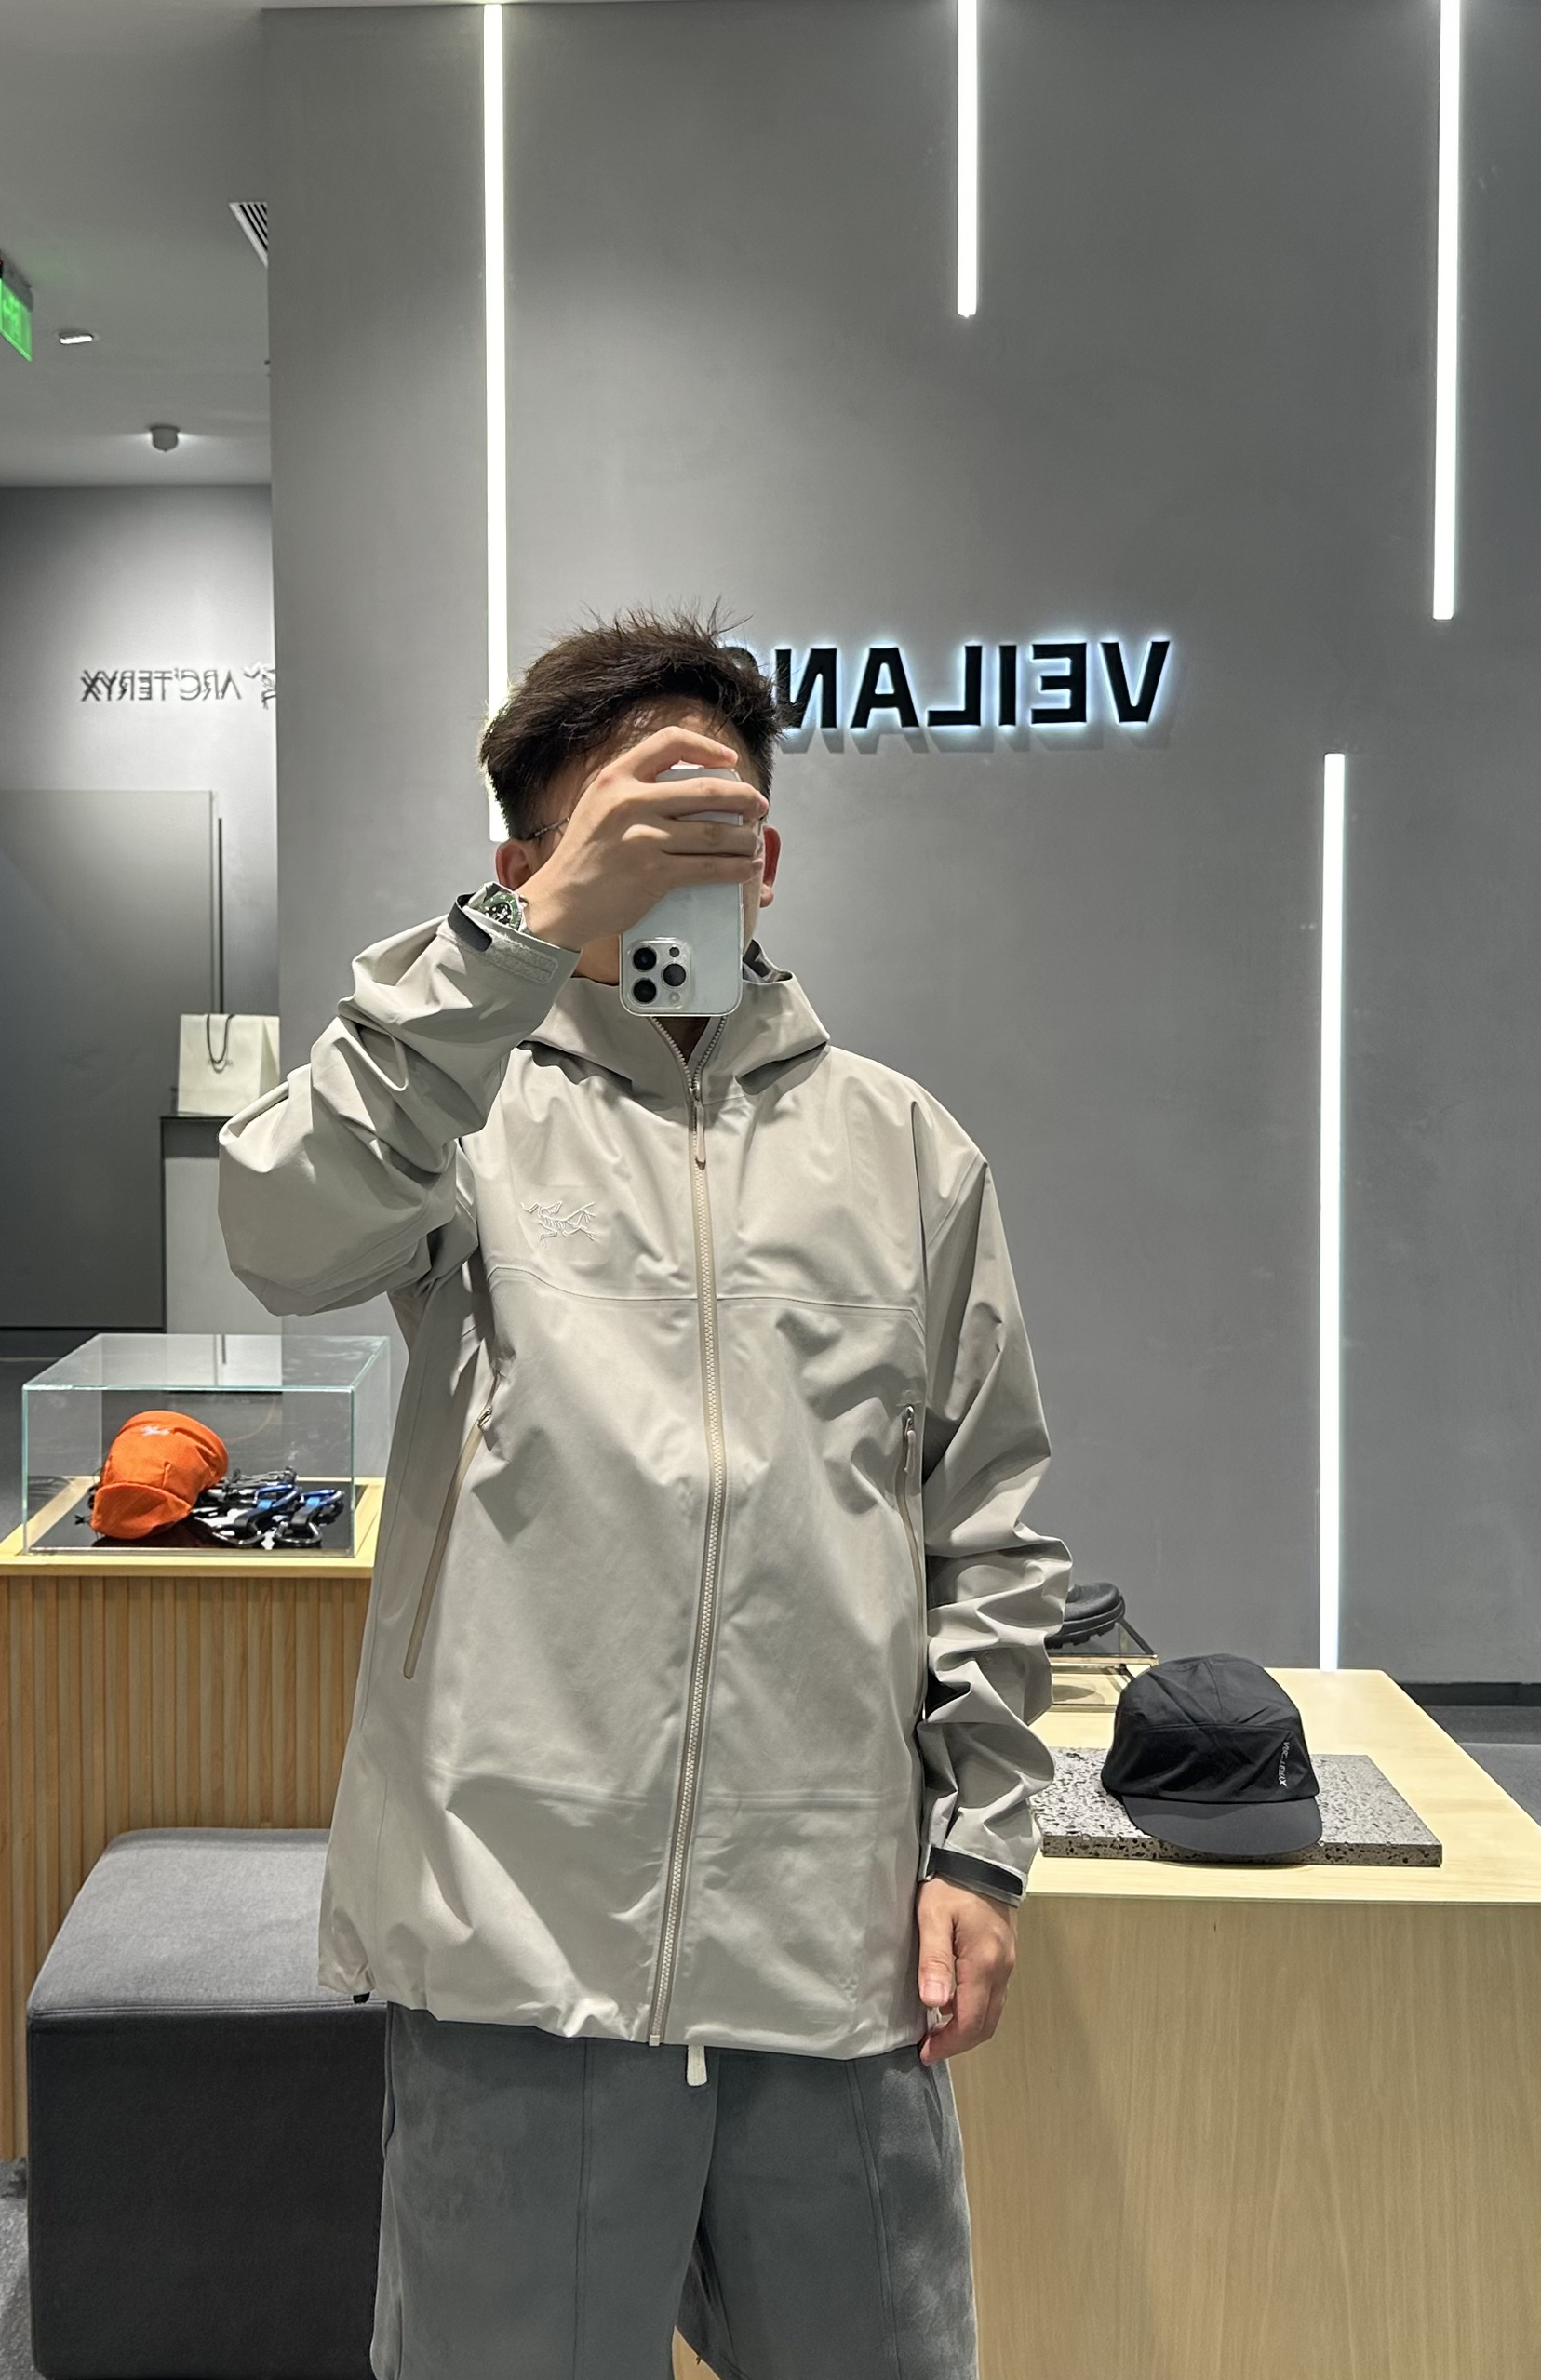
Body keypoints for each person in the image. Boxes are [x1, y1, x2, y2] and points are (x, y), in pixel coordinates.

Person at [219, 609, 1068, 2380]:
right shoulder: (455, 1120)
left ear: (772, 858)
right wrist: (524, 943)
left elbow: (984, 1517)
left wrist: (979, 1843)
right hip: (519, 1948)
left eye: (717, 817)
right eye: (631, 820)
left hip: (831, 1955)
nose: (684, 853)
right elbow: (279, 1227)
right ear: (525, 862)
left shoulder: (905, 1150)